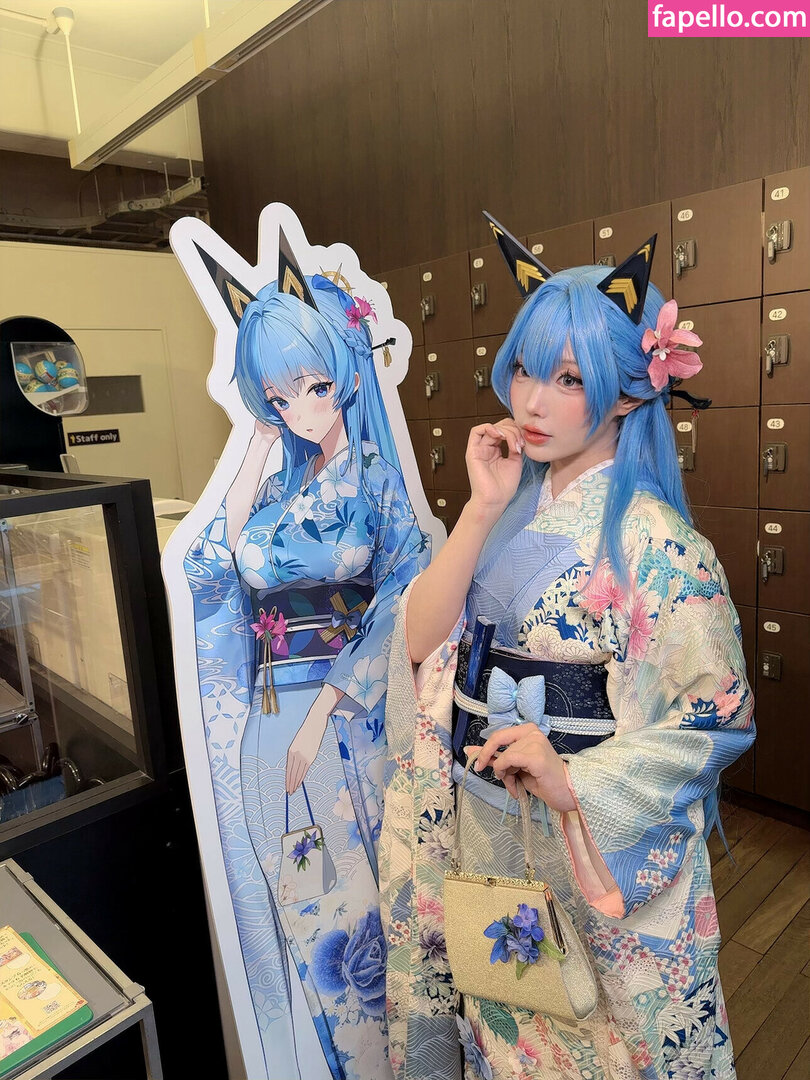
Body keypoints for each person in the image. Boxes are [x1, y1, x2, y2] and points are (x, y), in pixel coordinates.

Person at [380, 219, 755, 1080]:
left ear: (627, 394)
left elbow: (714, 719)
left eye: (569, 379)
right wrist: (480, 508)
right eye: (524, 369)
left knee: (591, 1046)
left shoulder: (660, 546)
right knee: (499, 1026)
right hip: (483, 826)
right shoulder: (508, 508)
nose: (532, 402)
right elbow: (421, 643)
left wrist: (574, 781)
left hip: (578, 837)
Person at [184, 232, 429, 1080]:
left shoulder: (373, 477)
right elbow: (214, 565)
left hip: (343, 721)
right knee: (307, 907)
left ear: (345, 375)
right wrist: (256, 441)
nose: (303, 407)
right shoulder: (275, 485)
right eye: (281, 395)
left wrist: (325, 710)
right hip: (270, 721)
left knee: (364, 914)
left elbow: (404, 592)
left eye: (316, 385)